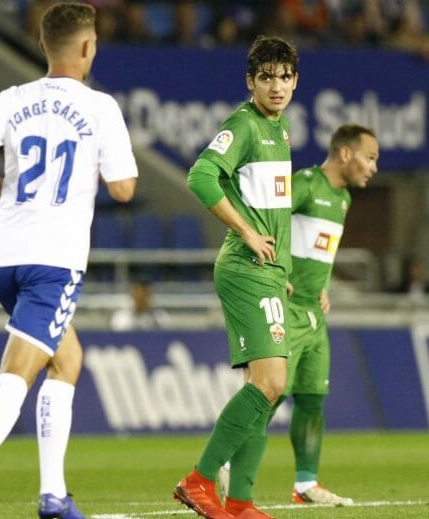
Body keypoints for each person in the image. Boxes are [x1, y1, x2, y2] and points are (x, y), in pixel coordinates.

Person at [0, 3, 138, 518]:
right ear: (88, 47)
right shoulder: (100, 107)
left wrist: (5, 191)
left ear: (42, 45)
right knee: (20, 368)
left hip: (5, 255)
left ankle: (54, 495)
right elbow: (123, 188)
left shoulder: (11, 98)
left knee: (67, 359)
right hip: (54, 259)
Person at [176, 35, 299, 519]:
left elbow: (273, 208)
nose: (277, 86)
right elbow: (200, 176)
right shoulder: (244, 125)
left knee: (268, 389)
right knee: (271, 382)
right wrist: (248, 234)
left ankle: (242, 500)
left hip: (268, 272)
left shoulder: (281, 129)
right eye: (266, 76)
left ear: (295, 81)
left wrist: (282, 268)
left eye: (285, 76)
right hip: (244, 268)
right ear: (250, 81)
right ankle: (199, 480)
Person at [256, 124, 377, 506]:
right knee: (267, 395)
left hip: (314, 312)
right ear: (345, 154)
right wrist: (278, 270)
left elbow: (314, 246)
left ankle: (306, 484)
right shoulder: (307, 183)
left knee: (311, 400)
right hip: (286, 310)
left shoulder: (343, 199)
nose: (373, 167)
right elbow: (266, 216)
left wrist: (322, 285)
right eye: (370, 158)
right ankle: (224, 465)